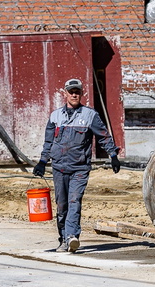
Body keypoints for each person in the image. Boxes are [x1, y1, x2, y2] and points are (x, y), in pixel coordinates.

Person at [32, 78, 121, 253]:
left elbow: (103, 136)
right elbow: (48, 142)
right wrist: (42, 162)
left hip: (79, 168)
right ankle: (64, 239)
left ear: (81, 94)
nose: (74, 94)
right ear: (65, 93)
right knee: (62, 204)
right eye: (71, 92)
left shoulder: (90, 115)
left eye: (77, 92)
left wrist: (113, 155)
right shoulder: (55, 116)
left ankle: (72, 236)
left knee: (74, 201)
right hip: (58, 167)